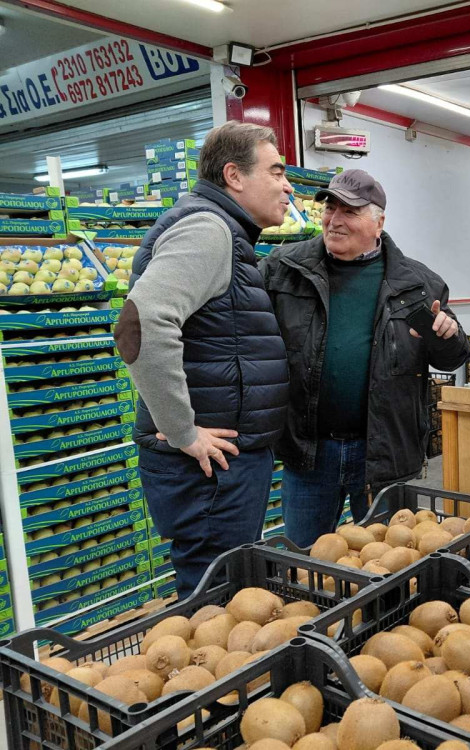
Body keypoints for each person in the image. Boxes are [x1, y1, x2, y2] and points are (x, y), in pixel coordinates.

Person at [114, 121, 291, 599]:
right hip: (210, 471)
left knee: (224, 594)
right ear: (234, 176)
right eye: (276, 171)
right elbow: (141, 323)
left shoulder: (225, 233)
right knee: (218, 605)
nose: (288, 185)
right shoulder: (208, 229)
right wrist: (183, 430)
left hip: (221, 467)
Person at [260, 169, 470, 547]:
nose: (335, 220)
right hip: (310, 453)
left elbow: (452, 358)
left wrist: (447, 334)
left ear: (379, 223)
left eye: (350, 211)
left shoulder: (419, 284)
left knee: (387, 562)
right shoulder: (283, 270)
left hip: (382, 455)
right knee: (307, 562)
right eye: (330, 208)